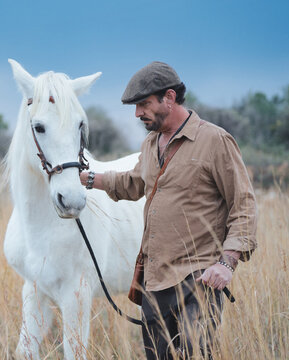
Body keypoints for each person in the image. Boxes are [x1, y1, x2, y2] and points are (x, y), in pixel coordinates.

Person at [80, 61, 257, 359]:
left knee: (195, 353)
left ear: (170, 98)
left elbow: (244, 204)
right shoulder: (150, 144)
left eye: (144, 104)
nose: (138, 114)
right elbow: (134, 183)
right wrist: (89, 179)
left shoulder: (214, 140)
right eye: (136, 107)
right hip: (154, 279)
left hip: (198, 278)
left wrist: (226, 264)